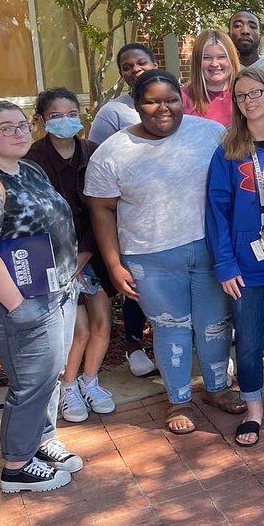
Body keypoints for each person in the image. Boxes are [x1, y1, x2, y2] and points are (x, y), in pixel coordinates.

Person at [86, 69, 242, 435]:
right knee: (170, 328)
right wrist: (113, 263)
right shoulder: (113, 152)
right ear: (136, 104)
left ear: (181, 100)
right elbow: (101, 210)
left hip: (209, 251)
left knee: (215, 325)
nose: (163, 108)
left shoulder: (209, 133)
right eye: (151, 101)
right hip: (150, 258)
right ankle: (179, 398)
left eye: (170, 99)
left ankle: (217, 388)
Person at [0, 101, 81, 493]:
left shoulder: (29, 169)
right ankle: (17, 465)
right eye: (5, 128)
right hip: (13, 302)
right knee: (32, 381)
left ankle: (41, 440)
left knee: (48, 376)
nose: (18, 133)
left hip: (53, 290)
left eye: (22, 125)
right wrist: (17, 305)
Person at [205, 68, 264, 446]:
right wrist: (225, 263)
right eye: (240, 96)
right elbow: (217, 212)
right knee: (247, 340)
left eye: (255, 92)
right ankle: (253, 409)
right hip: (243, 266)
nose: (249, 101)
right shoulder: (227, 152)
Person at [26, 89, 116, 425]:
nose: (66, 121)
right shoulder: (32, 161)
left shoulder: (93, 153)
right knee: (76, 331)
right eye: (56, 115)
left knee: (102, 323)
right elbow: (35, 219)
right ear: (42, 120)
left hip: (93, 251)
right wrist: (67, 263)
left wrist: (87, 254)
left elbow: (103, 208)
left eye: (72, 113)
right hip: (54, 258)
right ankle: (68, 387)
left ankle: (90, 380)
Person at [87, 43, 160, 377]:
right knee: (138, 282)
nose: (136, 69)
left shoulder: (173, 101)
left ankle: (166, 343)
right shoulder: (113, 113)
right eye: (127, 66)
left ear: (154, 63)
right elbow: (98, 162)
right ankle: (134, 345)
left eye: (141, 62)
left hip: (170, 212)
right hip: (130, 212)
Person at [88, 42, 158, 142]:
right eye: (126, 68)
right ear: (122, 74)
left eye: (142, 63)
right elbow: (95, 153)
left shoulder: (176, 104)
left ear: (155, 66)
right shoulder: (111, 112)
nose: (135, 69)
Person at [182, 29, 240, 126]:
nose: (214, 64)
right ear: (197, 62)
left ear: (232, 59)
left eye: (222, 57)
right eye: (206, 58)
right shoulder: (181, 98)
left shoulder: (245, 96)